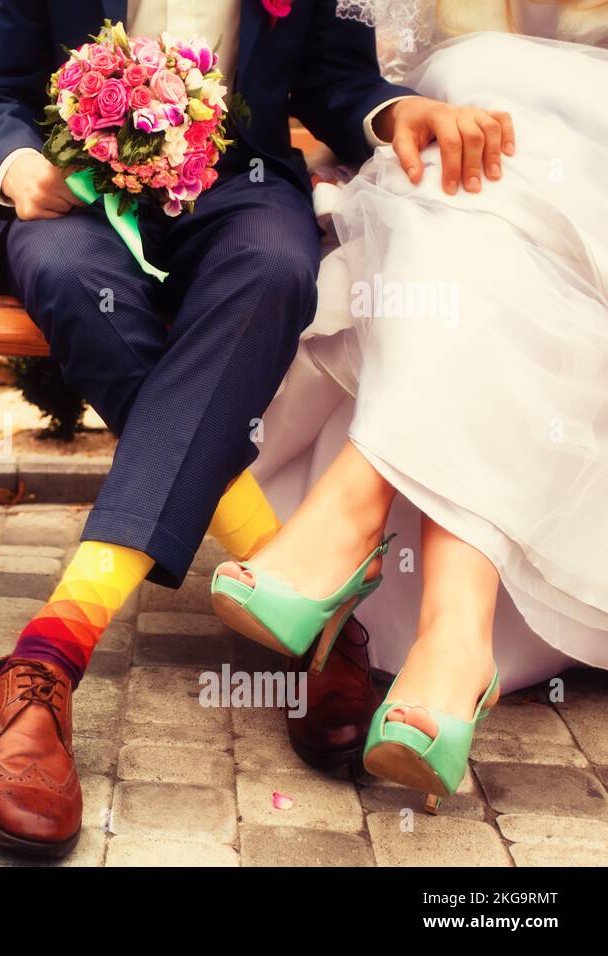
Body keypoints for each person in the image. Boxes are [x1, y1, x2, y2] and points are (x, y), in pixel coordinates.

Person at [0, 0, 501, 856]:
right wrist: (17, 162)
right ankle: (319, 626)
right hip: (79, 201)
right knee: (67, 281)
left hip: (243, 190)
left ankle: (48, 656)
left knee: (278, 270)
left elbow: (334, 79)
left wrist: (396, 111)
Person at [213, 0, 608, 810]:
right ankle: (457, 646)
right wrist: (397, 113)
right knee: (459, 157)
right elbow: (345, 71)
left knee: (478, 117)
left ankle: (351, 514)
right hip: (440, 175)